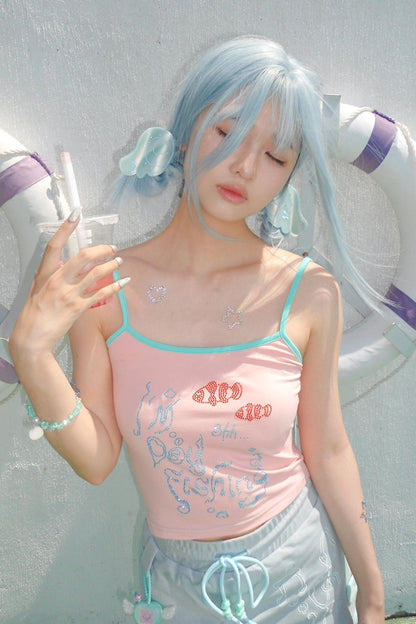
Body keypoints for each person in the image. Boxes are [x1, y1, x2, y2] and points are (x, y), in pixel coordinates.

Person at [9, 36, 385, 623]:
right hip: (175, 589)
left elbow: (329, 447)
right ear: (185, 132)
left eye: (276, 156)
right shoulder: (107, 289)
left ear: (289, 175)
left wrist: (372, 594)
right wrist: (32, 353)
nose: (244, 166)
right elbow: (96, 458)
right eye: (226, 133)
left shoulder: (310, 292)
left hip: (300, 575)